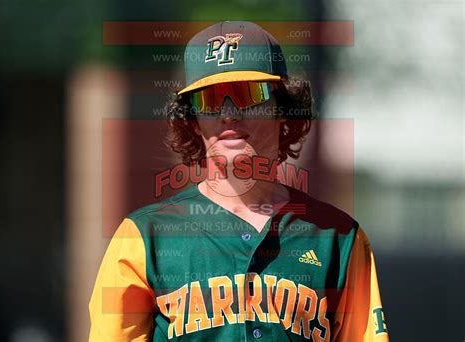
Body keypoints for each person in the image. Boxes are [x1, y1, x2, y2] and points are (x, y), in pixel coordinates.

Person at [89, 21, 389, 341]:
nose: (229, 113)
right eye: (209, 99)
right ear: (192, 119)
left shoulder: (338, 238)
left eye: (249, 94)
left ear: (283, 109)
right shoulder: (141, 238)